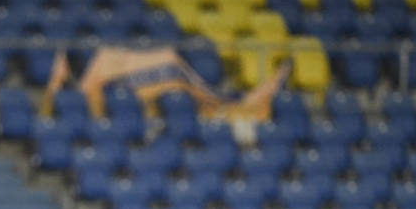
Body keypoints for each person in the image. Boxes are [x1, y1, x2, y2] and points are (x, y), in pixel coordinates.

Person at [39, 46, 291, 121]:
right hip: (155, 78)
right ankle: (251, 100)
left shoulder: (99, 70)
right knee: (214, 102)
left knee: (215, 103)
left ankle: (253, 99)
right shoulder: (96, 75)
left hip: (163, 76)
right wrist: (54, 81)